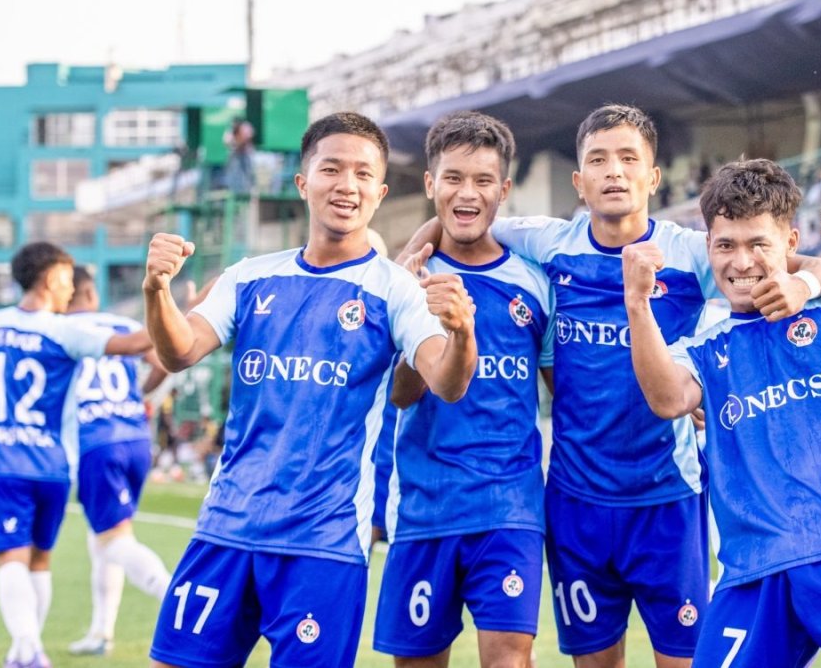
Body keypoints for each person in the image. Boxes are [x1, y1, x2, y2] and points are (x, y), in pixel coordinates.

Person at [401, 104, 821, 667]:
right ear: (578, 181)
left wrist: (805, 284)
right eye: (598, 160)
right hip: (576, 501)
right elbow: (463, 216)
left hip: (667, 497)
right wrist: (409, 257)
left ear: (653, 177)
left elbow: (814, 266)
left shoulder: (690, 252)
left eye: (629, 158)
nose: (614, 171)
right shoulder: (550, 243)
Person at [143, 112, 478, 668]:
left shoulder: (396, 290)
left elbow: (445, 381)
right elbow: (179, 351)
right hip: (226, 528)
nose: (347, 185)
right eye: (331, 169)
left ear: (380, 192)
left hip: (323, 542)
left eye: (363, 174)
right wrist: (157, 290)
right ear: (303, 183)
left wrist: (462, 331)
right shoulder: (248, 277)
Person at [622, 159, 821, 668]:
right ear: (709, 246)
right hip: (752, 568)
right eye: (725, 245)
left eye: (758, 244)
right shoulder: (705, 343)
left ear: (790, 242)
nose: (742, 262)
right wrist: (637, 303)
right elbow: (668, 399)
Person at [374, 111, 553, 668]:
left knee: (509, 662)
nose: (467, 193)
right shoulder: (405, 284)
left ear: (504, 189)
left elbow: (566, 391)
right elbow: (401, 395)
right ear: (431, 184)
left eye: (483, 180)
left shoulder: (534, 281)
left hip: (509, 506)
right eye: (453, 178)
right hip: (424, 508)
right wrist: (431, 325)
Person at [0, 242, 151, 668]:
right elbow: (135, 343)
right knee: (39, 560)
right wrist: (176, 305)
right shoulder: (64, 331)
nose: (71, 289)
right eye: (67, 278)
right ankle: (24, 652)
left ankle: (28, 648)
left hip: (1, 463)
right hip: (53, 466)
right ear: (50, 279)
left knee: (11, 557)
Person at [64, 265, 173, 657]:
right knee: (104, 537)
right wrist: (138, 398)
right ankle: (101, 632)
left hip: (96, 443)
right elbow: (163, 362)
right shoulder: (123, 325)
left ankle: (176, 598)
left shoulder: (60, 329)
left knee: (113, 541)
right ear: (91, 294)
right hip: (134, 438)